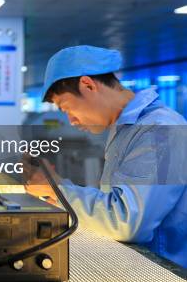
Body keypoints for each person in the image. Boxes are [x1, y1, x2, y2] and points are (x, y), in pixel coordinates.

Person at [25, 45, 187, 268]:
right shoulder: (127, 128)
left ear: (88, 85)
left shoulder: (159, 129)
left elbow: (128, 222)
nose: (71, 120)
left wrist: (60, 191)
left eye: (66, 108)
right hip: (142, 261)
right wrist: (59, 187)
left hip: (167, 269)